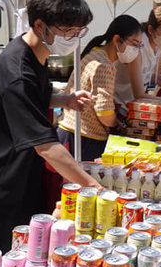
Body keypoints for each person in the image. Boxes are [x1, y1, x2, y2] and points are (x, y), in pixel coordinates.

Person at [0, 0, 102, 252]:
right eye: (68, 31)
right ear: (40, 25)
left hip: (20, 179)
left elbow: (32, 98)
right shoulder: (17, 71)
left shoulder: (34, 56)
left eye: (79, 32)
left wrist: (65, 100)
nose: (74, 38)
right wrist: (92, 185)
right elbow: (46, 147)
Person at [57, 15, 142, 161]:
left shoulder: (95, 53)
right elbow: (104, 112)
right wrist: (119, 124)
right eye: (134, 43)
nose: (136, 50)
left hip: (72, 132)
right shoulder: (104, 65)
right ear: (117, 39)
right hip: (85, 138)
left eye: (139, 45)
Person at [113, 3, 161, 121]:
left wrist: (155, 77)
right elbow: (138, 94)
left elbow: (141, 72)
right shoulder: (138, 47)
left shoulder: (157, 46)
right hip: (121, 108)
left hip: (134, 109)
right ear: (151, 30)